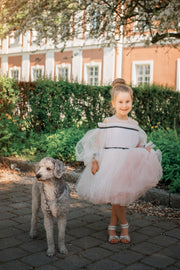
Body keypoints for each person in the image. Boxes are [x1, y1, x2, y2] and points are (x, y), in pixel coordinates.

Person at [76, 78, 162, 244]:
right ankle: (124, 227)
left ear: (132, 102)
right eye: (120, 102)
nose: (124, 105)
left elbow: (138, 142)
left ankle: (112, 226)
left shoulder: (134, 124)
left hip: (126, 167)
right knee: (117, 198)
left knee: (119, 197)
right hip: (110, 165)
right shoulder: (108, 122)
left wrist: (145, 149)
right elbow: (98, 144)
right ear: (113, 103)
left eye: (127, 101)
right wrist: (94, 161)